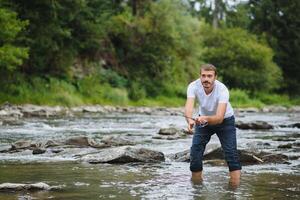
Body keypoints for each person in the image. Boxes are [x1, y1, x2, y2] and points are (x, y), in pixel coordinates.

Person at [184, 64, 241, 187]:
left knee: (231, 153)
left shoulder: (222, 89)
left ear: (215, 77)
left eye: (209, 76)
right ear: (200, 76)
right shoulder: (193, 86)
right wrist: (189, 120)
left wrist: (204, 118)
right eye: (203, 76)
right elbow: (189, 106)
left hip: (225, 121)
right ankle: (197, 189)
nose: (206, 79)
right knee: (195, 152)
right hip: (202, 121)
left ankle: (234, 190)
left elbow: (219, 118)